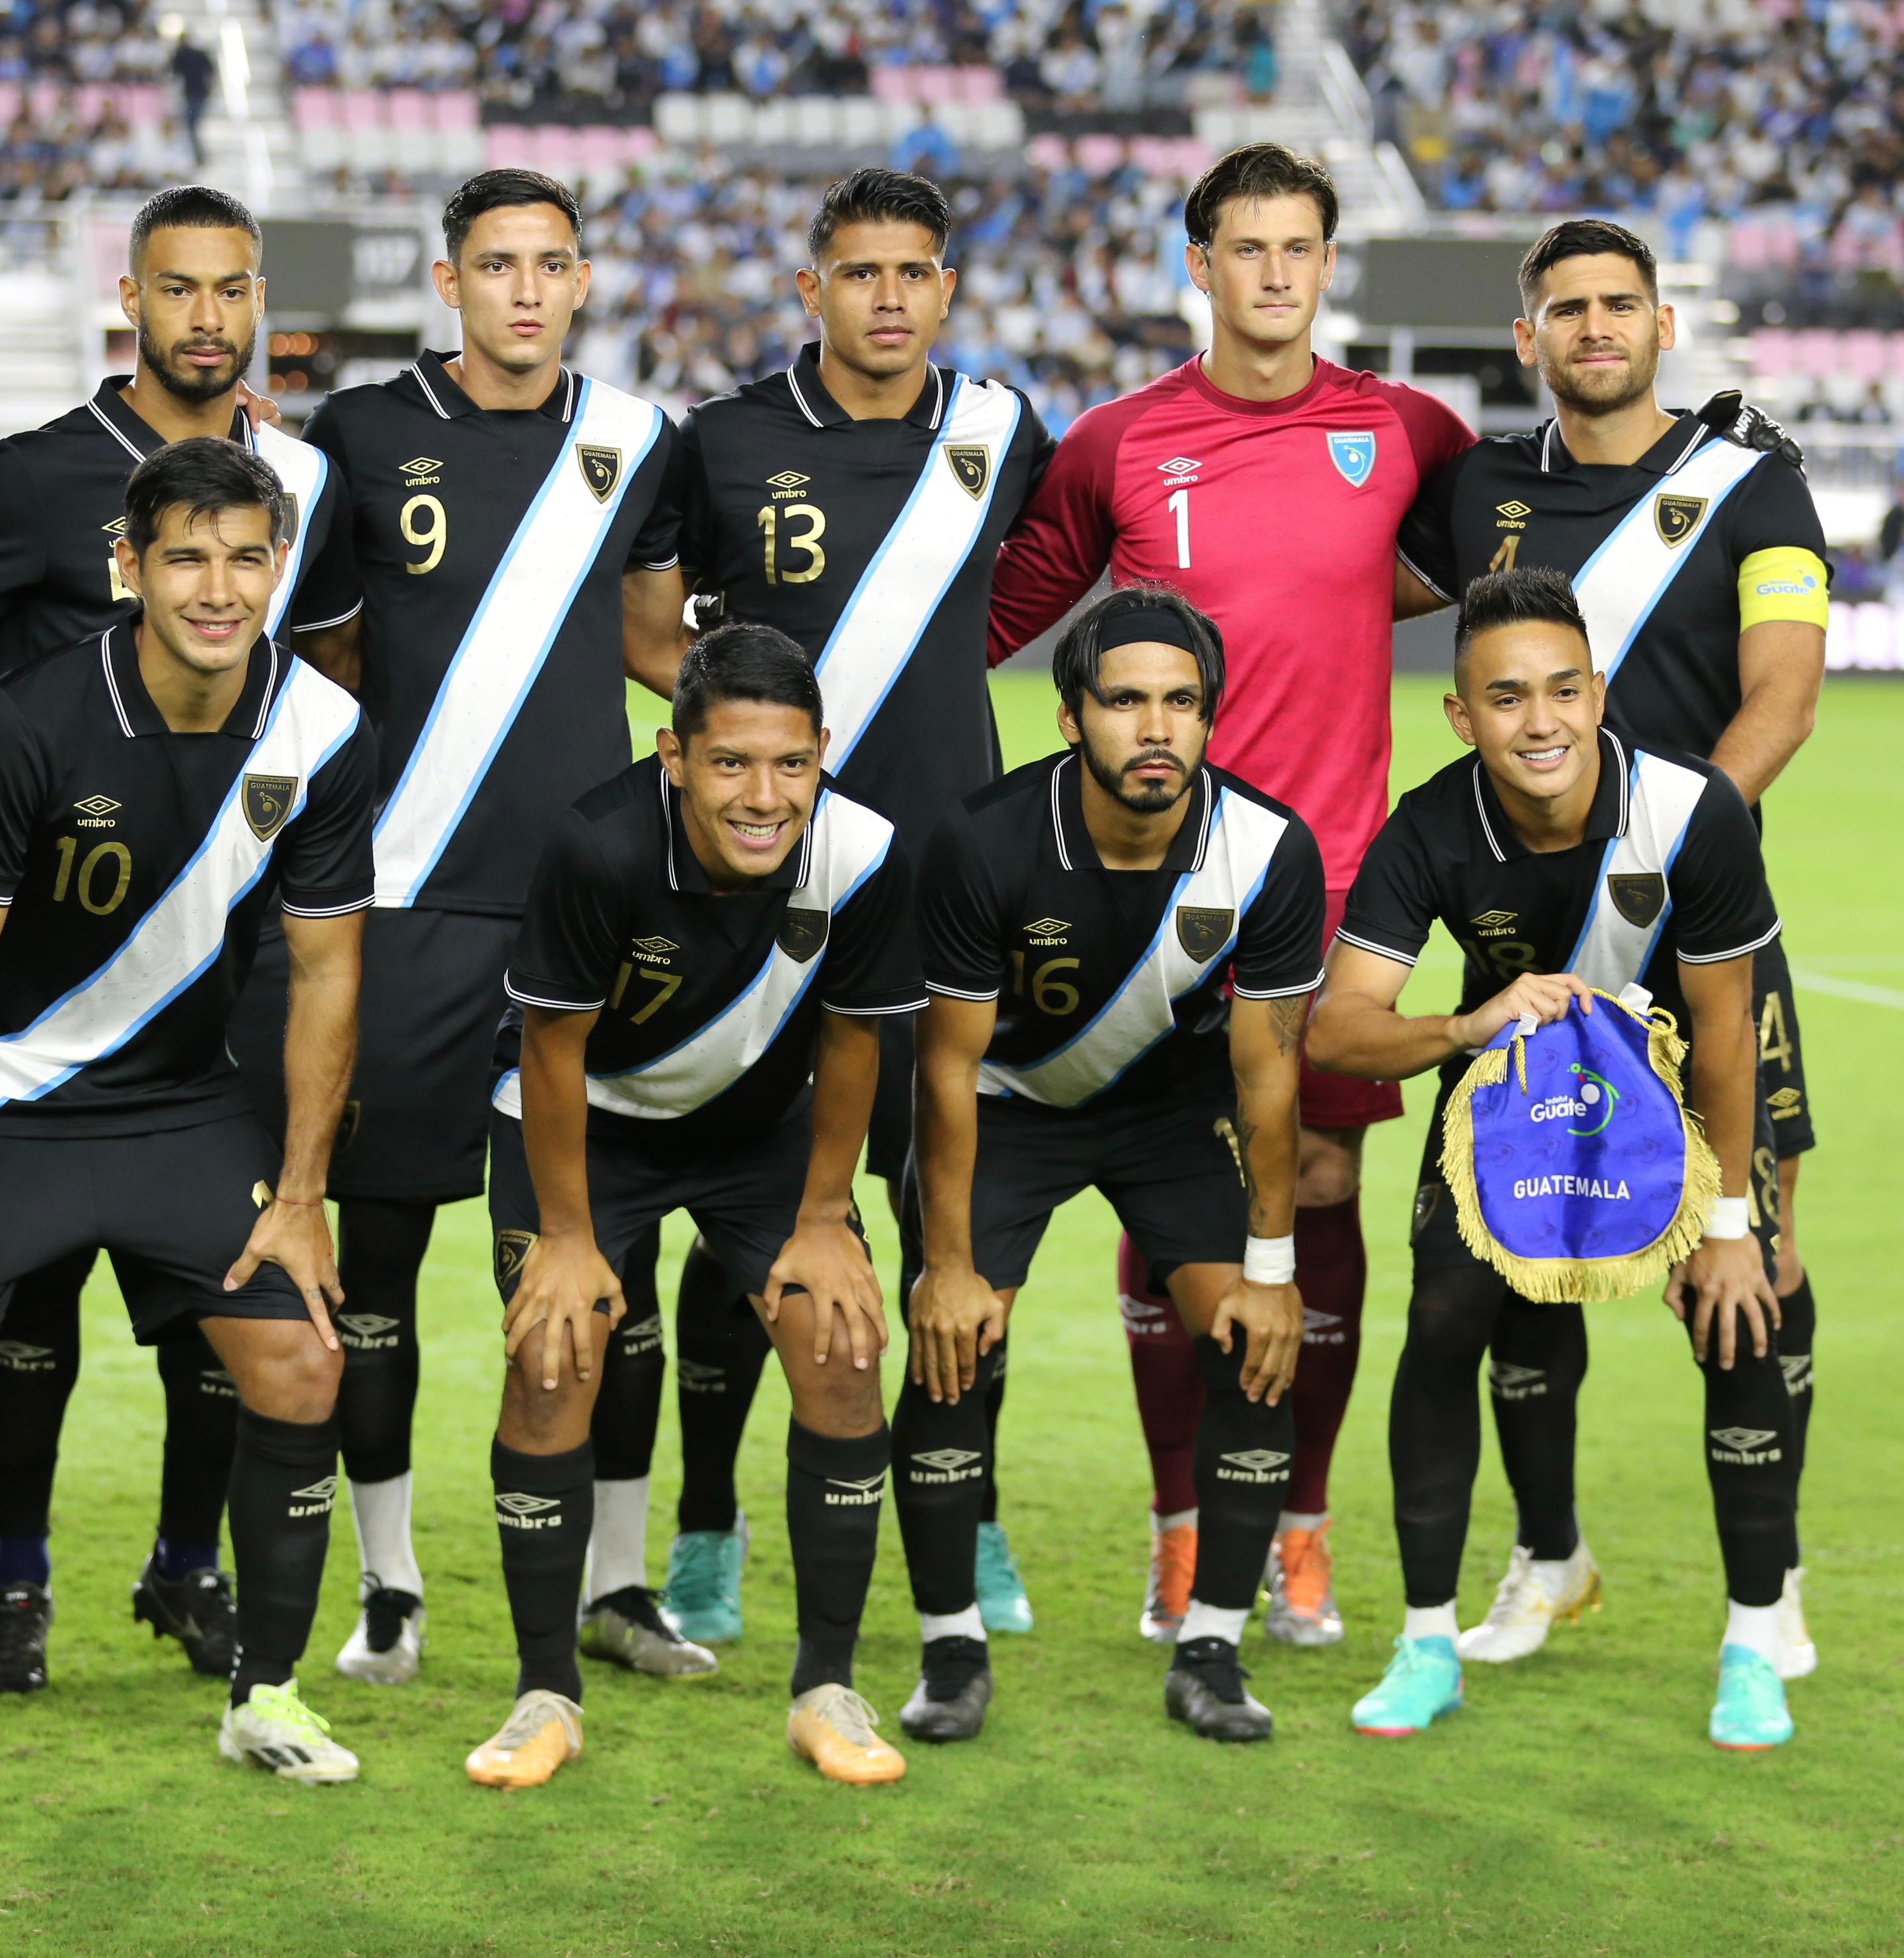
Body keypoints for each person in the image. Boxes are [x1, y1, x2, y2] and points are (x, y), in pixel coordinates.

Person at [988, 141, 1473, 1650]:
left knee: (1317, 1188)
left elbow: (1483, 560)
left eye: (1298, 247)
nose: (1274, 273)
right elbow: (989, 617)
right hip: (1152, 888)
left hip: (1334, 890)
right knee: (1172, 1197)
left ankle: (1302, 1529)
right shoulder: (1117, 444)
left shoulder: (1406, 432)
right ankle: (1183, 1528)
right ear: (1197, 266)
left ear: (1329, 264)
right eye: (1245, 248)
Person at [0, 439, 376, 1805]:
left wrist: (300, 1196)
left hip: (179, 1111)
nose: (218, 589)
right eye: (185, 557)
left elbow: (329, 974)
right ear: (128, 566)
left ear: (280, 566)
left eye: (246, 558)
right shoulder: (30, 720)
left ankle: (265, 1696)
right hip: (5, 1104)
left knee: (303, 1368)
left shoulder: (322, 729)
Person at [243, 168, 681, 1686]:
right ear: (449, 283)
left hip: (584, 917)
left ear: (581, 282)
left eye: (550, 264)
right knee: (376, 1263)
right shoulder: (362, 434)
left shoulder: (638, 439)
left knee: (601, 1264)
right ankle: (390, 1586)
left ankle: (618, 1585)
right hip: (406, 902)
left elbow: (653, 638)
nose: (524, 290)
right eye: (496, 265)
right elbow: (324, 651)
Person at [0, 184, 355, 1698]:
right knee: (24, 1305)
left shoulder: (297, 477)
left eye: (232, 289)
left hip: (224, 938)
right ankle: (18, 1582)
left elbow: (326, 674)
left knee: (215, 1290)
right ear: (132, 300)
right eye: (179, 289)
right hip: (46, 958)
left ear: (259, 302)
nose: (207, 317)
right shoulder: (34, 475)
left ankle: (188, 1564)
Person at [625, 167, 1057, 1655]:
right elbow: (650, 629)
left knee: (952, 1220)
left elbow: (1034, 584)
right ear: (810, 290)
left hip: (944, 899)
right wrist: (745, 755)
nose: (888, 297)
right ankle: (705, 1526)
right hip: (763, 898)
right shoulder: (725, 441)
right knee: (739, 1215)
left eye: (913, 272)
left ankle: (967, 1507)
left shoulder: (999, 432)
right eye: (859, 272)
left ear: (947, 289)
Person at [1396, 218, 1830, 1674]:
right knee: (1522, 1256)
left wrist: (1664, 856)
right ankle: (1548, 1555)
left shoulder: (1752, 486)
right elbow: (1342, 596)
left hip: (1701, 937)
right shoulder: (1480, 492)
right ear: (1528, 338)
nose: (1595, 327)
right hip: (1527, 957)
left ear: (1662, 325)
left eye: (1620, 304)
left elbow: (1782, 700)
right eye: (1567, 308)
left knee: (1751, 1259)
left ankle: (1768, 1593)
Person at [1310, 567, 1798, 1753]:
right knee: (1447, 1317)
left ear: (1600, 693)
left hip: (1685, 1081)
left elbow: (1727, 1033)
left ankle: (1755, 1643)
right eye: (1508, 697)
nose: (1543, 722)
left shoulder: (1692, 811)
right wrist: (1462, 1027)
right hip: (1517, 1085)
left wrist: (1726, 1226)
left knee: (1741, 1312)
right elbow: (1337, 1027)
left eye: (1565, 691)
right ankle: (1428, 1643)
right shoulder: (1431, 827)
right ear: (1461, 714)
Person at [463, 624, 925, 1791]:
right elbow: (553, 1050)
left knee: (842, 1344)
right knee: (554, 1354)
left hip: (756, 1133)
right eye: (730, 764)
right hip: (587, 1125)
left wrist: (825, 1218)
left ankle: (827, 1691)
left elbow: (856, 1040)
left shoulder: (864, 852)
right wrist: (568, 1239)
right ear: (674, 757)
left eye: (791, 764)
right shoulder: (598, 847)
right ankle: (543, 1697)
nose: (764, 797)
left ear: (823, 753)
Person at [903, 585, 1321, 1742]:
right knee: (952, 1350)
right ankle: (950, 1654)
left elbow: (1269, 1076)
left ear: (1211, 718)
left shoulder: (1267, 849)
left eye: (1182, 703)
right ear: (1070, 717)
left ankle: (1213, 1652)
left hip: (1172, 1117)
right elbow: (946, 1067)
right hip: (1007, 1107)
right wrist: (947, 1266)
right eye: (1126, 701)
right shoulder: (983, 840)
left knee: (1253, 1349)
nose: (1155, 729)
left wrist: (1273, 1270)